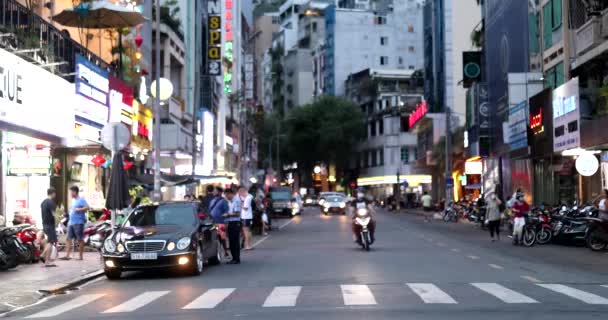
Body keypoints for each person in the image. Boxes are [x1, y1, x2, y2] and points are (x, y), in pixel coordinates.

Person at [61, 186, 89, 260]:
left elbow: (87, 207)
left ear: (75, 192)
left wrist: (79, 209)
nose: (70, 193)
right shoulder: (73, 201)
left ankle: (80, 256)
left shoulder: (81, 200)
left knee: (80, 239)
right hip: (71, 222)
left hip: (79, 222)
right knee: (68, 239)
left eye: (71, 192)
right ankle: (67, 255)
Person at [209, 186, 230, 258]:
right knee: (214, 237)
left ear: (220, 192)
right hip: (213, 222)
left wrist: (226, 222)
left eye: (215, 191)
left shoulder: (224, 201)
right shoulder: (212, 200)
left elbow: (227, 211)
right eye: (213, 191)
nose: (214, 192)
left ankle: (225, 251)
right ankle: (215, 252)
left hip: (221, 222)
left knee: (222, 237)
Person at [40, 188, 57, 267]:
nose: (55, 195)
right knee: (51, 242)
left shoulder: (43, 202)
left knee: (48, 241)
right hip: (50, 225)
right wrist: (58, 220)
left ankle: (47, 261)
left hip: (45, 224)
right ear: (52, 193)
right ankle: (43, 255)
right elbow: (54, 214)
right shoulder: (51, 203)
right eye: (55, 193)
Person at [224, 188, 242, 264]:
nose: (226, 197)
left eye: (227, 195)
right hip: (230, 222)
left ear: (230, 194)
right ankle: (234, 258)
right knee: (231, 241)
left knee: (235, 241)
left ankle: (236, 258)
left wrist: (228, 214)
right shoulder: (229, 201)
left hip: (235, 222)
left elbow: (237, 213)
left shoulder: (236, 200)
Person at [238, 186, 254, 250]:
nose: (239, 193)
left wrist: (241, 205)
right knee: (248, 231)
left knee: (246, 231)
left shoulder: (247, 198)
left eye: (240, 192)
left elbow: (246, 208)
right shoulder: (249, 196)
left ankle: (247, 245)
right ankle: (249, 245)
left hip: (245, 216)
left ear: (242, 191)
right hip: (248, 216)